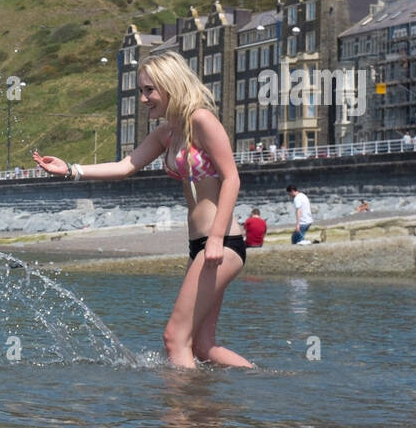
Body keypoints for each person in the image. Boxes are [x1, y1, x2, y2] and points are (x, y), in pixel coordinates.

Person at [33, 50, 253, 369]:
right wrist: (71, 169)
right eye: (141, 90)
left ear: (170, 86)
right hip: (201, 246)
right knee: (203, 346)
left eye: (149, 90)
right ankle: (265, 386)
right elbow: (126, 166)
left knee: (174, 339)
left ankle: (180, 415)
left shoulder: (201, 120)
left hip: (221, 244)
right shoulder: (168, 133)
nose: (142, 98)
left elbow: (232, 177)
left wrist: (217, 238)